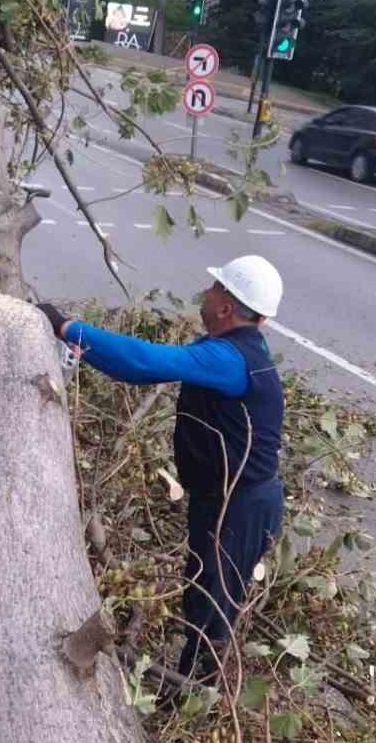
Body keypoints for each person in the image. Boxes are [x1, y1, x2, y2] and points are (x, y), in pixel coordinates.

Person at [39, 256, 285, 689]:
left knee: (212, 608)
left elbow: (142, 363)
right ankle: (194, 682)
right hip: (233, 498)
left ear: (227, 307)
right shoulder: (239, 349)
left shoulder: (229, 359)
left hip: (240, 505)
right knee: (203, 593)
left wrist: (68, 328)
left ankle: (194, 697)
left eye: (214, 287)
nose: (205, 293)